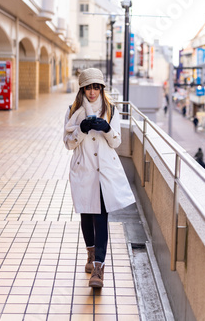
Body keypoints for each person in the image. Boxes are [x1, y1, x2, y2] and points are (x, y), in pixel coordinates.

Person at [63, 68, 135, 288]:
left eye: (96, 87)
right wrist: (81, 130)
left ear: (101, 88)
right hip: (83, 170)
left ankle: (99, 268)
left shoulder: (111, 109)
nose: (92, 92)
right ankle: (90, 254)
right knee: (86, 215)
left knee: (101, 217)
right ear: (82, 89)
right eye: (88, 87)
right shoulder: (73, 110)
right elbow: (68, 143)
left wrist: (106, 128)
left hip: (104, 173)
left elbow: (116, 142)